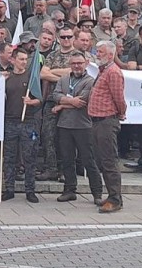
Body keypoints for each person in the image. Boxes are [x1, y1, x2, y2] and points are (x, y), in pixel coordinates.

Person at [52, 51, 103, 201]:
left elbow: (84, 101)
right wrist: (70, 101)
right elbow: (55, 95)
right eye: (74, 63)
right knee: (67, 159)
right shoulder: (64, 79)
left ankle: (97, 193)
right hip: (64, 125)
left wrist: (61, 105)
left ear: (86, 63)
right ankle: (69, 190)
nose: (76, 66)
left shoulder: (90, 80)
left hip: (83, 125)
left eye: (79, 63)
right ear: (70, 64)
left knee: (89, 160)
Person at [88, 41, 127, 213]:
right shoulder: (103, 71)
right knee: (102, 160)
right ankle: (112, 194)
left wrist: (120, 112)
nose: (97, 54)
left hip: (106, 121)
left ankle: (115, 199)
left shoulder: (113, 72)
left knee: (109, 161)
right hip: (97, 121)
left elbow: (119, 97)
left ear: (110, 55)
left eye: (100, 51)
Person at [0, 47, 41, 202]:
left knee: (29, 157)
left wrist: (31, 101)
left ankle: (30, 190)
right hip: (10, 121)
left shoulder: (31, 77)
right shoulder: (7, 78)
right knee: (9, 157)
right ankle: (9, 188)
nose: (24, 62)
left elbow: (40, 99)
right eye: (21, 59)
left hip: (28, 122)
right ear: (13, 60)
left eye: (26, 59)